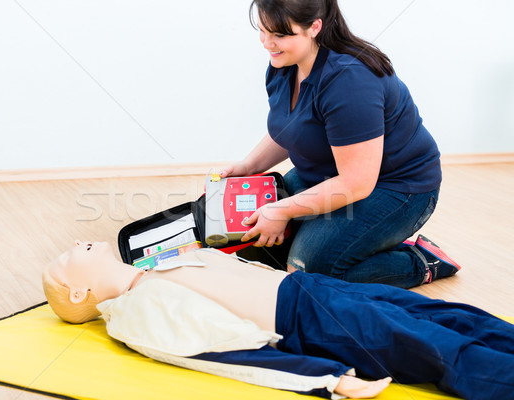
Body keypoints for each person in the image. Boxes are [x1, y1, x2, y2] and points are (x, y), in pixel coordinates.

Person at [43, 241, 514, 399]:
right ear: (81, 293)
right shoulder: (135, 313)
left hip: (312, 290)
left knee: (449, 314)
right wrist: (327, 379)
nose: (69, 250)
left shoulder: (155, 268)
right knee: (434, 345)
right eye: (63, 262)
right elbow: (221, 356)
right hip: (309, 319)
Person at [219, 0, 459, 288]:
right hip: (332, 173)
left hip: (396, 186)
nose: (268, 43)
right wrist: (248, 166)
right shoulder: (284, 64)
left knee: (308, 272)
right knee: (257, 246)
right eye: (263, 31)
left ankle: (421, 262)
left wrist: (281, 210)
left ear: (314, 27)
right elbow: (291, 126)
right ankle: (363, 240)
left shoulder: (349, 81)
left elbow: (357, 182)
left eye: (280, 35)